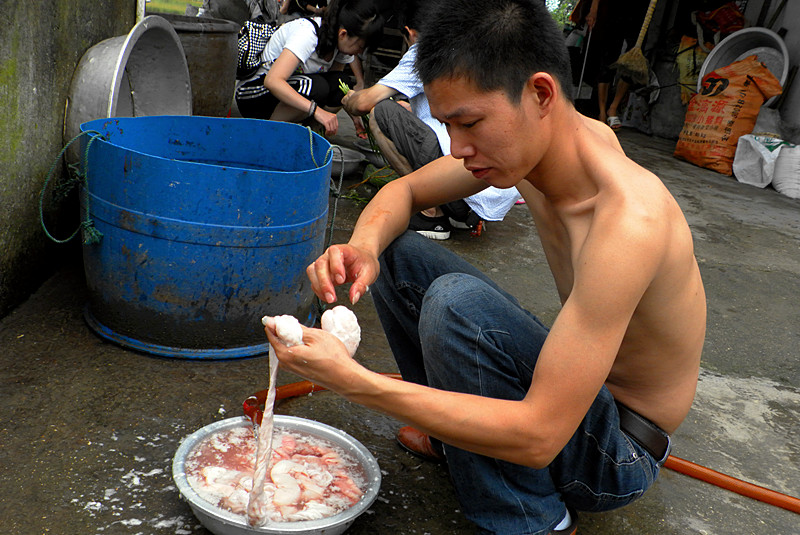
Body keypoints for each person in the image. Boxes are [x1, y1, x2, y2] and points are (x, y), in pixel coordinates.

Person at [265, 0, 707, 533]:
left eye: (469, 122)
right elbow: (405, 192)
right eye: (448, 124)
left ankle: (530, 518)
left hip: (615, 449)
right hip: (579, 397)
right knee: (396, 254)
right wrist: (360, 247)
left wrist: (355, 382)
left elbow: (541, 432)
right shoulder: (540, 142)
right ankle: (460, 438)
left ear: (540, 94)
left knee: (457, 304)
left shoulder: (628, 221)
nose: (457, 147)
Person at [341, 0, 520, 239]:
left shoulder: (425, 50)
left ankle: (430, 213)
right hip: (491, 189)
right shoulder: (475, 48)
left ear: (409, 32)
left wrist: (350, 99)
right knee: (403, 109)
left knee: (380, 112)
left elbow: (365, 103)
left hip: (460, 184)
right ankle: (459, 214)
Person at [235, 0, 383, 136]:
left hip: (286, 93)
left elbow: (335, 86)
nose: (359, 53)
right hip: (253, 95)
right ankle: (269, 134)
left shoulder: (339, 45)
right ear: (343, 34)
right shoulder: (307, 33)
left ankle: (309, 137)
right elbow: (272, 81)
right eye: (360, 47)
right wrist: (316, 111)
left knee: (340, 83)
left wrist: (354, 114)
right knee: (316, 86)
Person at [571, 0, 650, 129]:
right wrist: (593, 10)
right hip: (614, 9)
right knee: (608, 57)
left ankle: (613, 108)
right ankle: (602, 111)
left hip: (639, 12)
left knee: (634, 60)